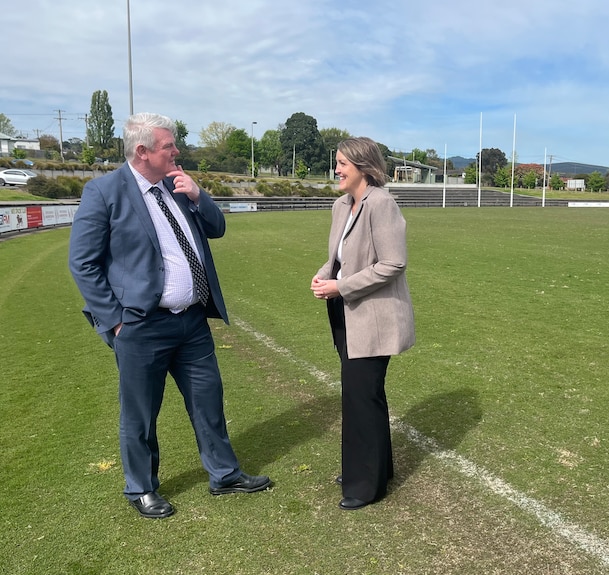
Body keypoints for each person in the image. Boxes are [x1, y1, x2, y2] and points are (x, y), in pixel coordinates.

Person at [69, 112, 272, 519]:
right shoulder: (105, 192)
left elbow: (216, 229)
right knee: (141, 413)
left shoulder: (178, 187)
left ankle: (224, 473)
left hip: (192, 320)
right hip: (142, 325)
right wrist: (116, 321)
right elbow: (83, 262)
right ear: (142, 152)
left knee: (207, 401)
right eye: (169, 146)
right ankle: (141, 488)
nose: (177, 151)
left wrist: (199, 196)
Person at [310, 137, 415, 510]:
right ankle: (372, 468)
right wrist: (324, 277)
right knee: (362, 396)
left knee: (361, 396)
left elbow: (393, 263)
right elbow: (336, 256)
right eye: (336, 162)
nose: (336, 169)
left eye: (342, 163)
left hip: (373, 318)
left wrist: (341, 286)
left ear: (363, 166)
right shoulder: (342, 205)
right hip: (344, 313)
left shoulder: (381, 203)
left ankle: (365, 485)